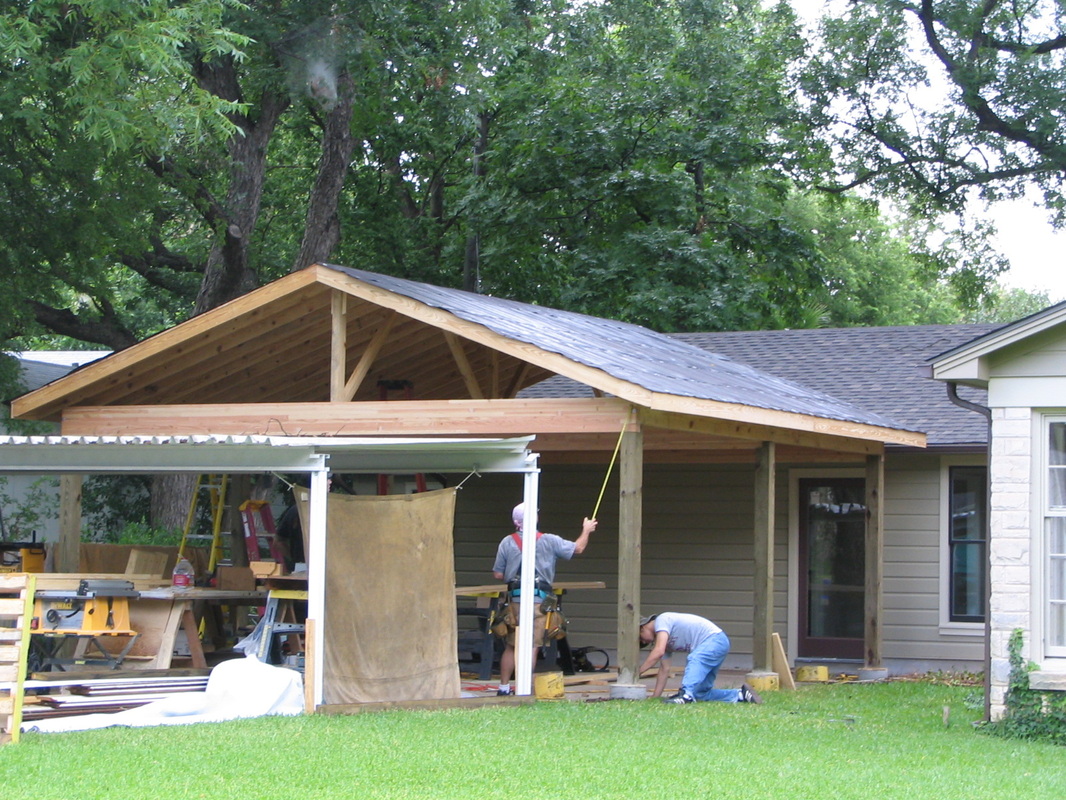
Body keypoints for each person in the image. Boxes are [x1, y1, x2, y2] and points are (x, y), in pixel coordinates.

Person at [492, 502, 597, 696]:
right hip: (538, 601)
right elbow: (578, 548)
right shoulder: (548, 540)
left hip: (514, 600)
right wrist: (586, 530)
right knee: (532, 645)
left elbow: (498, 574)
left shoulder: (507, 542)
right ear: (535, 518)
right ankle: (522, 689)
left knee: (511, 645)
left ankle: (504, 687)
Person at [637, 612, 762, 704]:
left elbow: (658, 652)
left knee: (694, 658)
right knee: (701, 694)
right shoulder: (663, 639)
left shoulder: (662, 620)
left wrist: (636, 672)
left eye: (641, 638)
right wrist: (655, 697)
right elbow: (664, 669)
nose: (644, 642)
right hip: (714, 644)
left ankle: (685, 695)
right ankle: (740, 695)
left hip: (715, 639)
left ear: (642, 627)